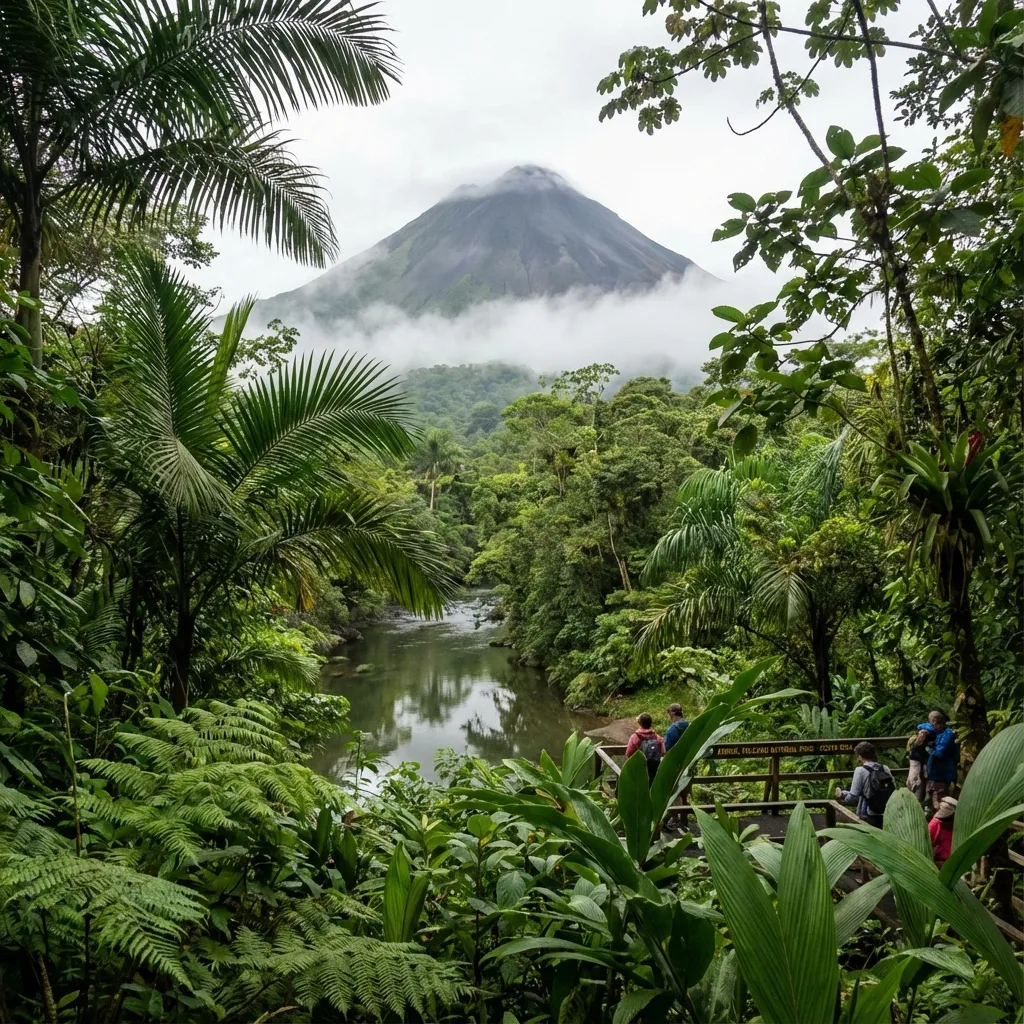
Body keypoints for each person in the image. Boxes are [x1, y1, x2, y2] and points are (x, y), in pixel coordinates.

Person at [835, 741, 896, 828]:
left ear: (860, 757)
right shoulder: (885, 768)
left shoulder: (860, 771)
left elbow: (853, 797)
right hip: (886, 812)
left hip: (868, 814)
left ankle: (842, 793)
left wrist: (842, 799)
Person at [920, 709, 959, 814]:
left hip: (943, 774)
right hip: (935, 774)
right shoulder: (937, 732)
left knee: (941, 802)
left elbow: (940, 753)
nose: (929, 723)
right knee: (933, 800)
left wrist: (930, 749)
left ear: (936, 722)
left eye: (931, 721)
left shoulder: (948, 734)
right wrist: (926, 730)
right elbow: (921, 726)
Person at [624, 713, 665, 784]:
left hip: (639, 770)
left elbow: (628, 754)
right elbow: (663, 752)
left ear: (639, 723)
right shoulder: (657, 737)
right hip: (654, 770)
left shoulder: (635, 737)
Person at [906, 724, 934, 807]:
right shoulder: (914, 743)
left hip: (924, 771)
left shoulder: (929, 743)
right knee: (917, 797)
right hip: (916, 772)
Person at [928, 796, 957, 867]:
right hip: (938, 861)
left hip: (953, 862)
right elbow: (927, 841)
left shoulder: (957, 825)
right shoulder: (936, 823)